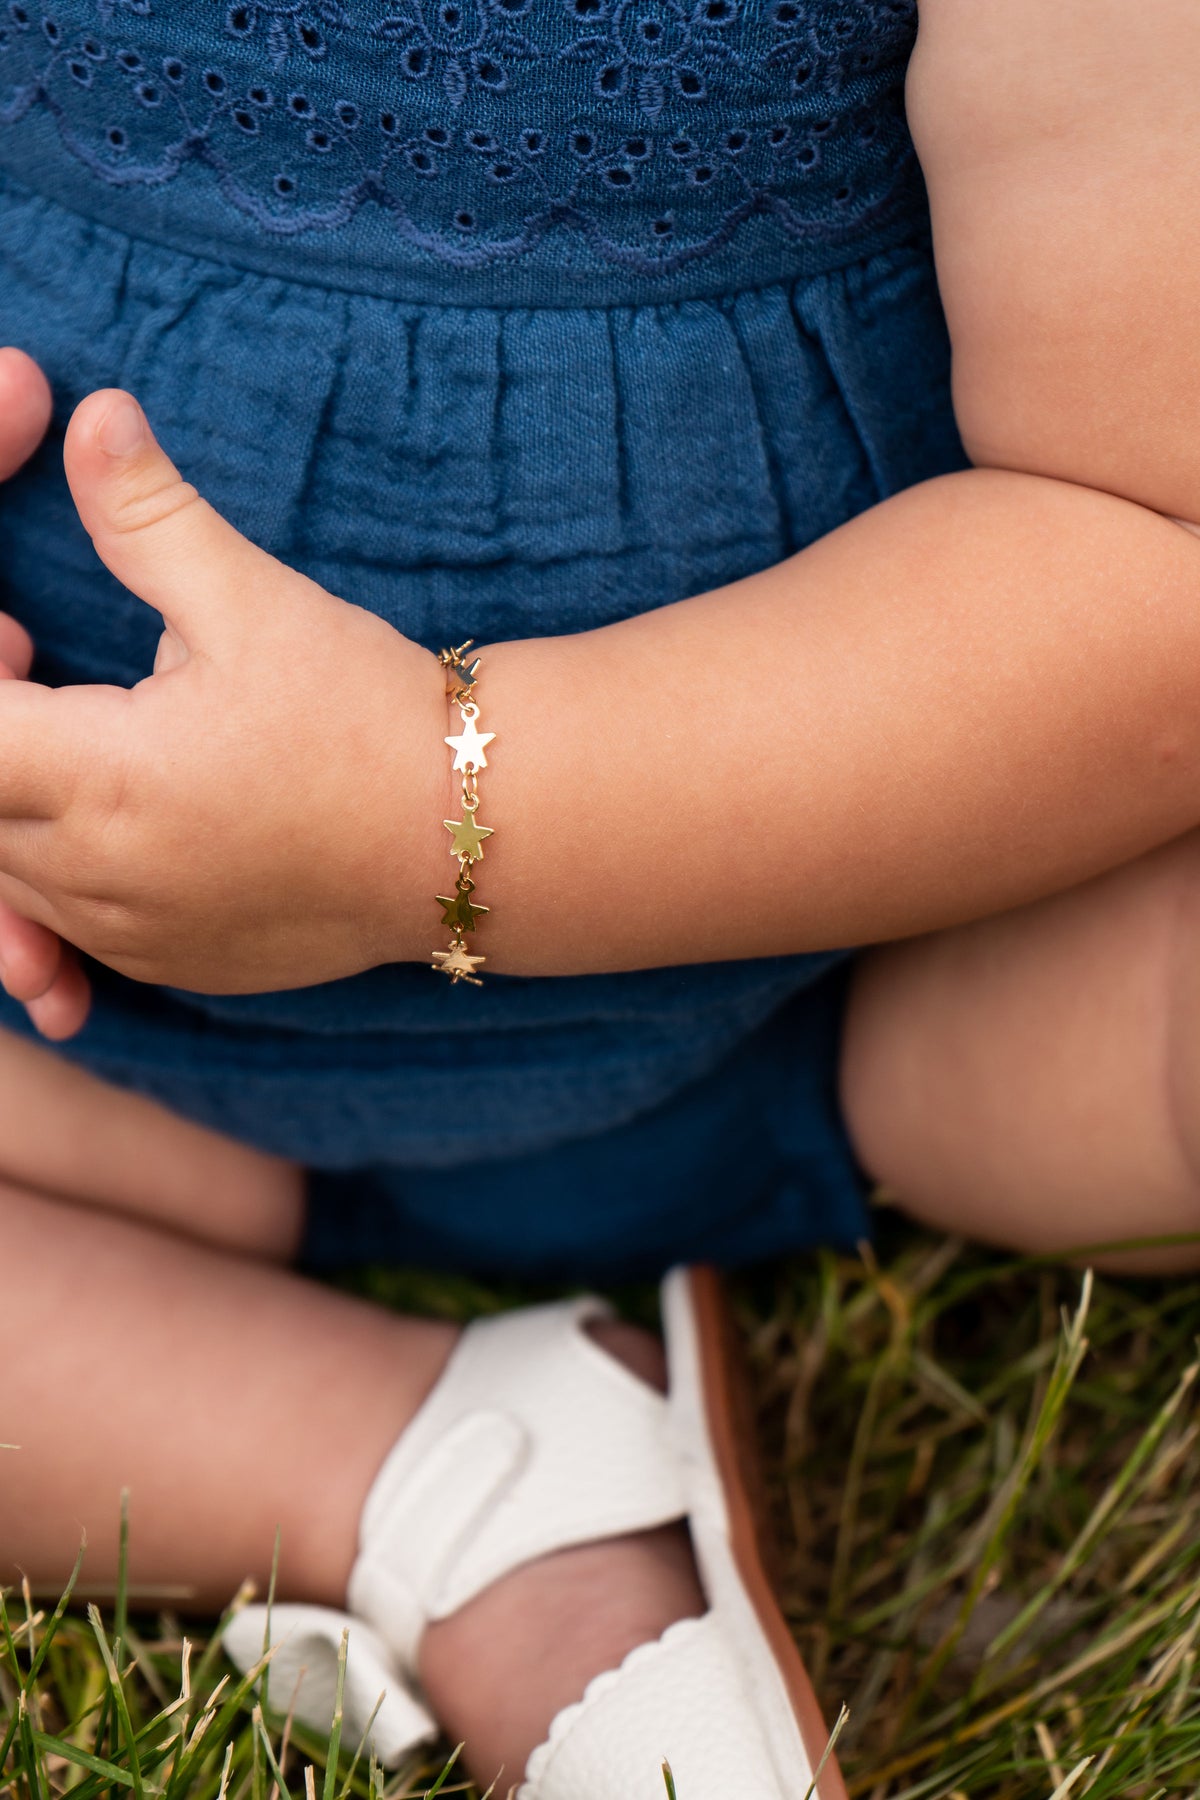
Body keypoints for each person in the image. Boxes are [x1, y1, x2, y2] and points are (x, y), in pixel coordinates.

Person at [3, 0, 1200, 1791]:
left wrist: (427, 821)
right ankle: (441, 1470)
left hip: (913, 978)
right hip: (80, 1051)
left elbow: (1149, 543)